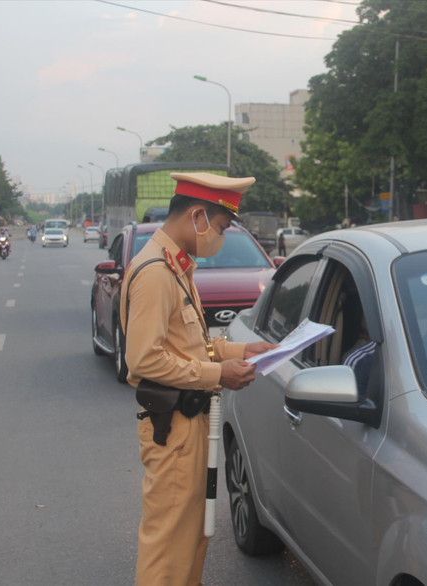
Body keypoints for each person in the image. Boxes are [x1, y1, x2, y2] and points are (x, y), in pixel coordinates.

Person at [121, 172, 276, 586]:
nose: (220, 238)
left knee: (192, 537)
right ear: (197, 217)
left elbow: (193, 344)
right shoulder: (155, 272)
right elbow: (144, 359)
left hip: (190, 424)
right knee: (168, 547)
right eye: (221, 228)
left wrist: (242, 352)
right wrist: (217, 374)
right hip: (172, 428)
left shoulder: (177, 266)